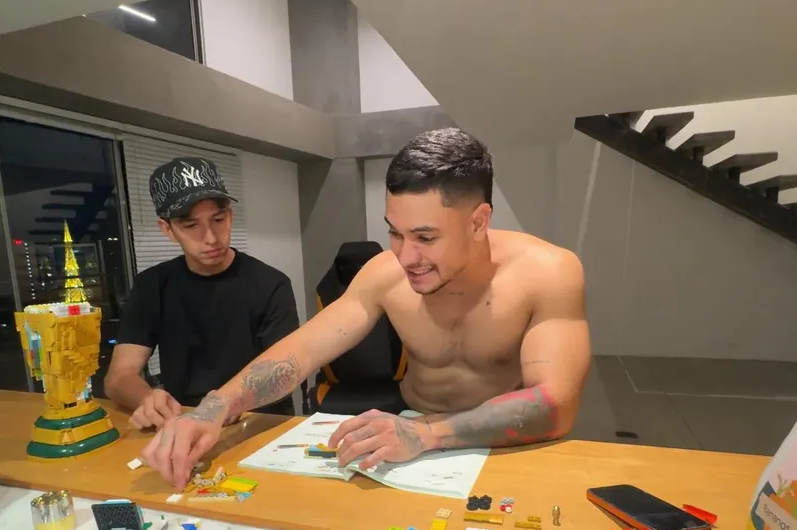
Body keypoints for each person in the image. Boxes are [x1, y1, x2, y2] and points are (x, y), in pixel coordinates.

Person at [141, 128, 591, 490]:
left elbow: (555, 404)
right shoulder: (385, 273)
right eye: (395, 233)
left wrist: (428, 434)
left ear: (478, 221)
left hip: (507, 441)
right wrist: (215, 407)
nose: (406, 256)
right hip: (411, 436)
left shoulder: (548, 272)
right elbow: (303, 350)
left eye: (425, 237)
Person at [105, 156, 300, 430]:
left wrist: (224, 405)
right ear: (168, 230)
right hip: (183, 421)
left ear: (230, 216)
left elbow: (284, 373)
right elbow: (118, 377)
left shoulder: (270, 284)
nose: (211, 237)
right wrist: (148, 400)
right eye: (191, 226)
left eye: (218, 219)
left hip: (258, 422)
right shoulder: (152, 286)